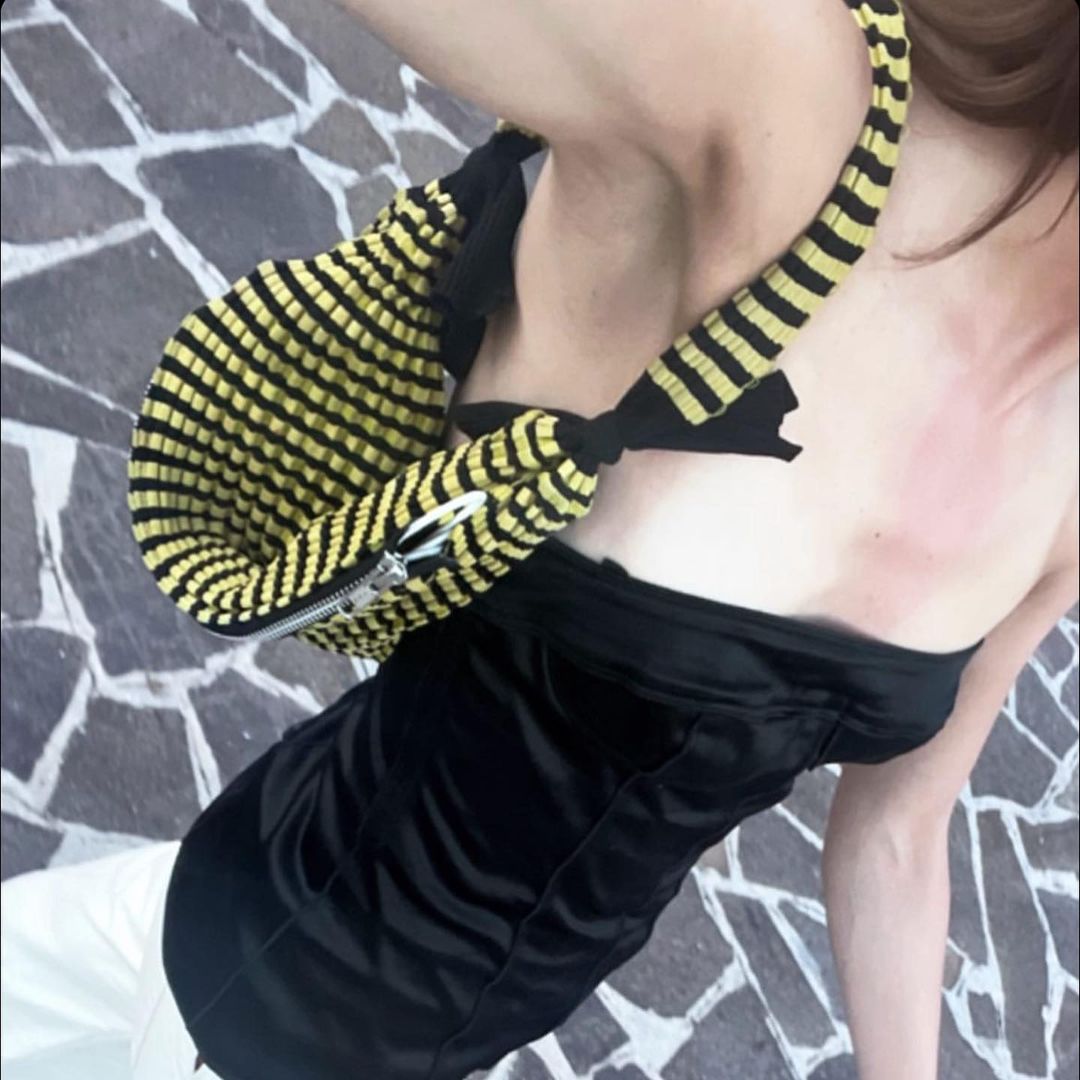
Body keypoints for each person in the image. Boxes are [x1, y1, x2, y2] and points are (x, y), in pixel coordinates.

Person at [2, 1, 1077, 1077]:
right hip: (269, 1017)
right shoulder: (791, 111)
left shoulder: (1065, 487)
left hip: (255, 889)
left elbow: (900, 832)